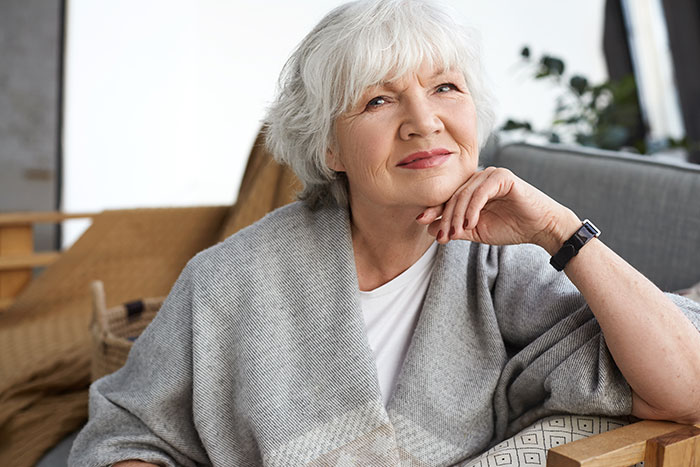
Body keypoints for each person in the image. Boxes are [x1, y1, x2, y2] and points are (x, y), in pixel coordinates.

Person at [69, 0, 700, 465]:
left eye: (445, 88)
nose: (424, 122)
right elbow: (127, 436)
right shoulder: (231, 279)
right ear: (329, 148)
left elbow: (688, 389)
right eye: (378, 101)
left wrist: (560, 229)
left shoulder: (501, 267)